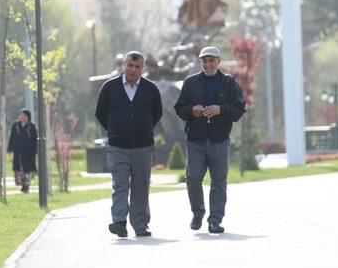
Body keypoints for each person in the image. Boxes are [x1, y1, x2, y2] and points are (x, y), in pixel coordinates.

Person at [174, 46, 246, 233]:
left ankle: (215, 220)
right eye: (204, 61)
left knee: (219, 181)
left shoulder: (229, 83)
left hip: (219, 140)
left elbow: (239, 110)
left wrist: (220, 109)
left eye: (212, 60)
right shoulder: (190, 83)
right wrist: (192, 110)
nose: (208, 64)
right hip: (195, 140)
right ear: (201, 62)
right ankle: (198, 212)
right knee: (193, 177)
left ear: (219, 61)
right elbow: (179, 109)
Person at [95, 51, 163, 237]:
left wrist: (145, 128)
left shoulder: (151, 89)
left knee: (141, 187)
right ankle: (119, 222)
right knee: (120, 185)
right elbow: (100, 113)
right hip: (118, 147)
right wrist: (115, 130)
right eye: (130, 65)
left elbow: (157, 114)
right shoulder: (109, 87)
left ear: (143, 68)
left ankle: (140, 225)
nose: (133, 69)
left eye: (137, 66)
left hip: (143, 146)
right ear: (123, 65)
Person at [7, 109, 37, 193]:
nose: (22, 117)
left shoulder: (31, 126)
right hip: (18, 152)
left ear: (28, 117)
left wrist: (36, 151)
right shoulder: (15, 126)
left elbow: (35, 140)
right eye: (21, 115)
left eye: (24, 115)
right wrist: (9, 149)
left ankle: (26, 186)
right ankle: (22, 184)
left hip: (29, 153)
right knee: (18, 169)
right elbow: (11, 138)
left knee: (27, 170)